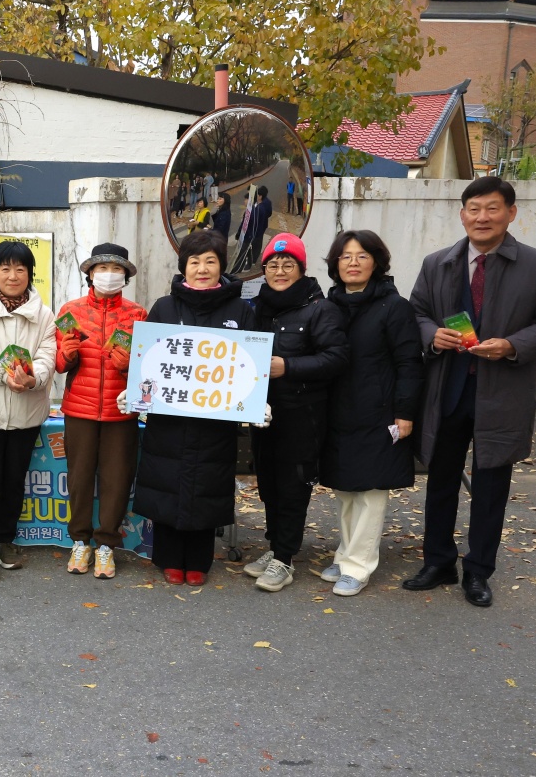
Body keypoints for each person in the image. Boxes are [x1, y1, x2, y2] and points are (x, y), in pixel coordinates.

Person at [405, 176, 536, 608]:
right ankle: (438, 561)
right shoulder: (437, 262)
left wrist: (514, 345)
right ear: (462, 215)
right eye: (474, 209)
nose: (482, 217)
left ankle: (479, 570)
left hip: (501, 391)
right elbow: (418, 311)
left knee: (491, 483)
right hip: (448, 389)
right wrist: (431, 335)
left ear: (511, 213)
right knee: (441, 481)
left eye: (492, 208)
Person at [130, 231, 257, 586]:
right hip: (168, 421)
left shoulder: (240, 311)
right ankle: (169, 558)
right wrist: (138, 394)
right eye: (195, 262)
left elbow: (250, 367)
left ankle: (199, 561)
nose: (202, 269)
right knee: (167, 483)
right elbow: (147, 363)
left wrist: (254, 403)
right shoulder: (164, 307)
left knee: (207, 487)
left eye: (210, 261)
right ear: (183, 267)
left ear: (221, 265)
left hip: (215, 422)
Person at [318, 230, 423, 597]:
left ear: (377, 261)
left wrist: (404, 412)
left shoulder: (394, 307)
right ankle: (345, 553)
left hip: (379, 415)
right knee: (346, 490)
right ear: (335, 264)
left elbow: (410, 362)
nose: (353, 262)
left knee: (371, 494)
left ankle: (359, 567)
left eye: (362, 256)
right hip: (339, 414)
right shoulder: (330, 305)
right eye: (345, 256)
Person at [242, 234, 349, 592]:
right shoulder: (258, 307)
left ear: (302, 269)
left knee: (292, 485)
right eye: (273, 265)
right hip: (263, 411)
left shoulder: (320, 308)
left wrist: (287, 366)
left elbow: (336, 358)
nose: (280, 271)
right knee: (269, 483)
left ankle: (285, 559)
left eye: (289, 265)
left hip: (302, 413)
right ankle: (275, 548)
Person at [0, 240, 56, 583]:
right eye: (6, 269)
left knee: (14, 480)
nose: (13, 275)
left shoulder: (44, 314)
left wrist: (33, 379)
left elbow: (48, 354)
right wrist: (5, 375)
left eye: (20, 269)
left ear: (30, 273)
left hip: (27, 411)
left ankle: (5, 539)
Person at [56, 242, 147, 579]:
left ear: (125, 276)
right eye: (102, 269)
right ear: (90, 274)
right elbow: (59, 366)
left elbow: (148, 369)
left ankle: (106, 545)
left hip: (121, 411)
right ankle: (80, 541)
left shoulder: (137, 314)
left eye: (116, 270)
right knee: (79, 479)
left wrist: (128, 368)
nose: (109, 275)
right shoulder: (71, 310)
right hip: (78, 409)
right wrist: (67, 354)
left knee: (117, 479)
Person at [235, 187, 274, 270]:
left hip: (257, 229)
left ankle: (250, 262)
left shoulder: (262, 207)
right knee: (251, 245)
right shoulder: (255, 205)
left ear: (260, 196)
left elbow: (265, 215)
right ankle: (250, 261)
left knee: (255, 244)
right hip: (252, 230)